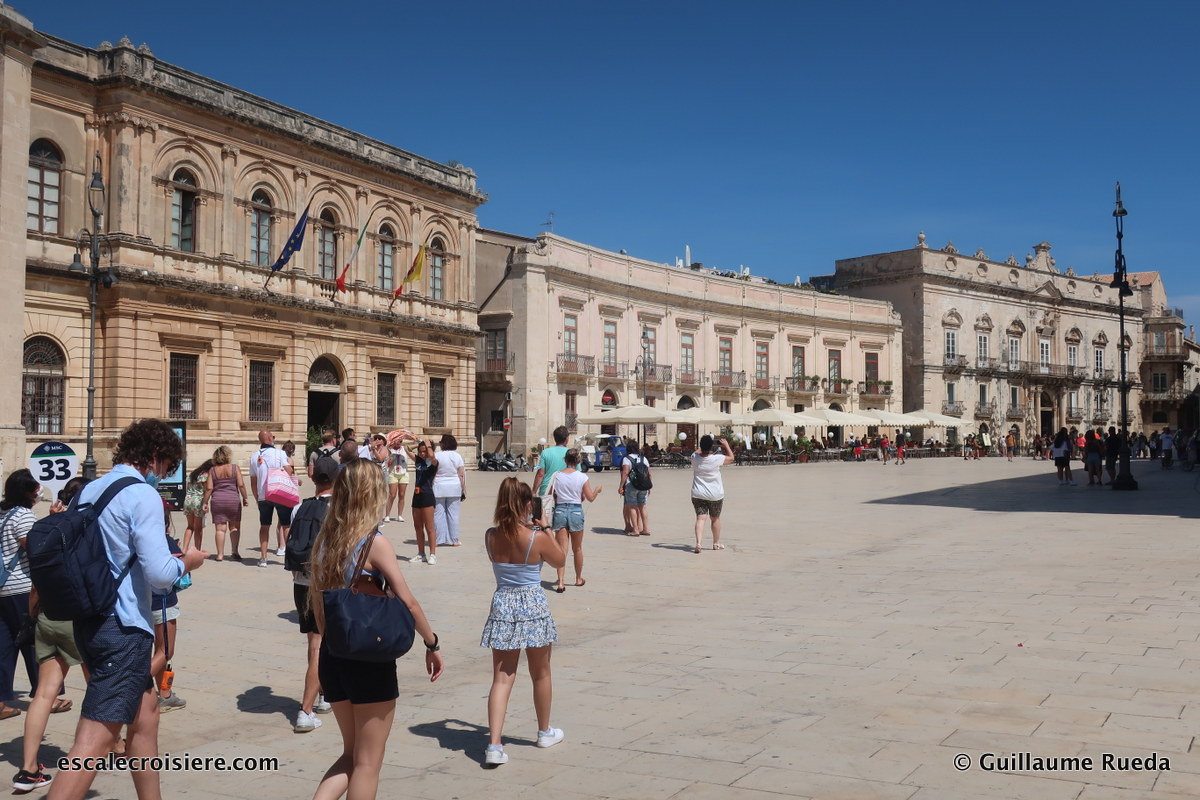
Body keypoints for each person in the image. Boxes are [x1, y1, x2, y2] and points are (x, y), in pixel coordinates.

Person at [48, 418, 207, 800]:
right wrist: (190, 561)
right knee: (93, 742)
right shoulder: (142, 495)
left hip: (89, 618)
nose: (165, 475)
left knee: (145, 716)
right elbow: (160, 571)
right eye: (167, 467)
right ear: (155, 457)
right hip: (123, 627)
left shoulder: (91, 490)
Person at [308, 459, 442, 800]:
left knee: (351, 755)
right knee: (368, 762)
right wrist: (432, 642)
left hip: (333, 655)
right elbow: (408, 601)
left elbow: (321, 605)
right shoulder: (373, 543)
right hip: (368, 658)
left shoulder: (325, 540)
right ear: (373, 494)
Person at [481, 478, 567, 767]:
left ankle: (494, 745)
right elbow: (559, 560)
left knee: (502, 677)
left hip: (503, 602)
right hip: (531, 602)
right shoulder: (536, 536)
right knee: (540, 672)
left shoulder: (491, 536)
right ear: (526, 504)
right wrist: (543, 526)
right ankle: (544, 731)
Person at [15, 478, 89, 793]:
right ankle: (110, 745)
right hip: (82, 620)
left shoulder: (48, 527)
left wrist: (33, 614)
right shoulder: (88, 527)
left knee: (44, 694)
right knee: (100, 689)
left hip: (47, 615)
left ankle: (28, 769)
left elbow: (36, 583)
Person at [289, 456, 336, 733]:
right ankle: (306, 710)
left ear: (313, 478)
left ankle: (322, 694)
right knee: (321, 644)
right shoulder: (337, 510)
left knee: (314, 642)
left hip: (301, 582)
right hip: (326, 584)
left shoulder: (299, 508)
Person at [0, 469, 41, 721]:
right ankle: (47, 694)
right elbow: (34, 548)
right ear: (26, 492)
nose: (38, 492)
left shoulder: (1, 511)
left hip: (2, 588)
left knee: (3, 646)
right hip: (20, 587)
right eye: (35, 489)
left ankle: (2, 699)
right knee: (35, 642)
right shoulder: (23, 516)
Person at [551, 450, 602, 593]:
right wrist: (597, 490)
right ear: (578, 461)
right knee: (577, 548)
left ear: (565, 459)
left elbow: (553, 494)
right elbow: (590, 497)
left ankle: (560, 582)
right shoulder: (582, 477)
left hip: (560, 510)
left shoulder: (557, 476)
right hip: (575, 511)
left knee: (562, 549)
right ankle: (578, 578)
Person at [250, 430, 293, 568]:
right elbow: (289, 471)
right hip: (280, 492)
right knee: (286, 525)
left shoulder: (254, 456)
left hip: (263, 495)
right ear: (270, 438)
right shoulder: (280, 453)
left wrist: (257, 497)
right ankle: (289, 557)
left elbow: (253, 480)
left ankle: (263, 558)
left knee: (264, 526)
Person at [201, 446, 249, 561]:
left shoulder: (212, 470)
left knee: (220, 529)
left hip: (218, 501)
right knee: (234, 527)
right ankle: (235, 551)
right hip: (233, 500)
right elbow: (241, 485)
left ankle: (220, 555)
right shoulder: (234, 468)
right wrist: (245, 498)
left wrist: (205, 502)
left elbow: (209, 488)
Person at [691, 435, 735, 553]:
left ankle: (698, 543)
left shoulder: (694, 458)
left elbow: (696, 452)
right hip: (715, 494)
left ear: (700, 446)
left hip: (698, 493)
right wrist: (726, 445)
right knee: (715, 519)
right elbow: (731, 458)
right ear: (711, 446)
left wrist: (702, 447)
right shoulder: (717, 458)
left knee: (700, 518)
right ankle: (716, 543)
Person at [432, 435, 466, 548]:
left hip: (439, 487)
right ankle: (454, 540)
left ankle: (438, 539)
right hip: (454, 487)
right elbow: (461, 475)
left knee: (438, 514)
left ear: (442, 444)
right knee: (454, 514)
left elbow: (433, 473)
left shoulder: (437, 456)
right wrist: (463, 490)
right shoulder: (457, 456)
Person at [409, 441, 439, 564]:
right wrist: (418, 444)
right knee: (418, 527)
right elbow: (407, 448)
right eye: (420, 451)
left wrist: (429, 446)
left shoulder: (434, 462)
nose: (422, 453)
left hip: (427, 495)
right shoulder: (418, 460)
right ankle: (421, 554)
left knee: (429, 527)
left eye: (424, 451)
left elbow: (432, 456)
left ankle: (433, 554)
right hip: (417, 495)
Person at [531, 426, 570, 517]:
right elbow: (577, 473)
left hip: (546, 490)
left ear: (555, 438)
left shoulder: (546, 452)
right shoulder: (571, 453)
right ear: (566, 439)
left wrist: (533, 491)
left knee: (545, 520)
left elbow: (540, 474)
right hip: (565, 491)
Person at [619, 441, 651, 537]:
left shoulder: (627, 459)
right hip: (644, 486)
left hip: (631, 485)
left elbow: (625, 473)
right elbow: (648, 474)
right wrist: (649, 487)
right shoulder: (643, 458)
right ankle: (645, 529)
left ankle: (635, 529)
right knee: (643, 506)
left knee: (632, 506)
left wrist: (621, 486)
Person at [277, 440, 303, 556]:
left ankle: (280, 546)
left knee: (279, 521)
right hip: (289, 490)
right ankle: (285, 546)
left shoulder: (278, 460)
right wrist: (299, 481)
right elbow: (291, 474)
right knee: (287, 520)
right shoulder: (290, 460)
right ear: (292, 450)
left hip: (279, 489)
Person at [181, 459, 213, 552]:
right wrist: (206, 502)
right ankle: (197, 550)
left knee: (190, 526)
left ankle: (184, 549)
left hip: (188, 500)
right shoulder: (206, 476)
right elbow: (207, 489)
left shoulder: (193, 474)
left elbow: (188, 488)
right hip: (198, 501)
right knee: (198, 528)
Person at [384, 435, 412, 524]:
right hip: (393, 472)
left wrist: (417, 440)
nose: (398, 443)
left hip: (403, 473)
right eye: (396, 441)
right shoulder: (390, 449)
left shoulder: (404, 448)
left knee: (402, 494)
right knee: (392, 495)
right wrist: (390, 457)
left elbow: (414, 447)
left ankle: (400, 515)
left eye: (400, 441)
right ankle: (387, 515)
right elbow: (387, 462)